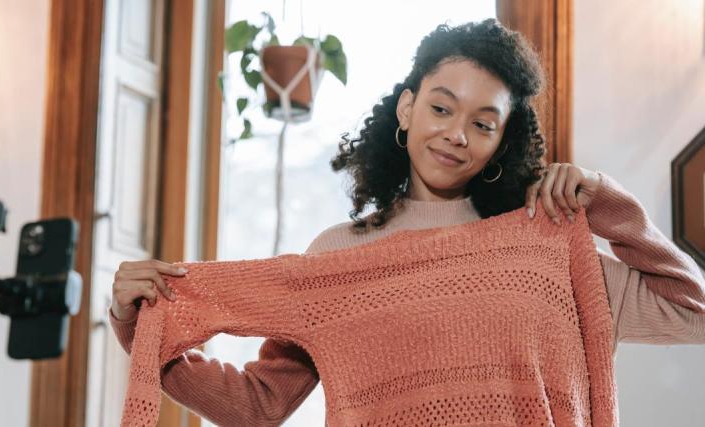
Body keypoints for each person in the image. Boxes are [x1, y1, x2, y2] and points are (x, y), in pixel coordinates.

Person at [109, 18, 705, 426]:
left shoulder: (544, 247)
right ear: (407, 106)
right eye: (442, 107)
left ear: (503, 140)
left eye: (483, 122)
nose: (455, 133)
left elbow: (691, 310)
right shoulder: (338, 258)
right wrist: (141, 328)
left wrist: (606, 202)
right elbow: (258, 405)